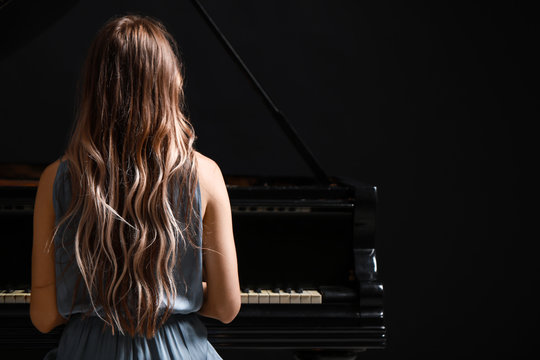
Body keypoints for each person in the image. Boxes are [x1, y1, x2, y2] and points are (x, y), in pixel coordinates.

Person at [30, 14, 241, 359]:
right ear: (170, 83)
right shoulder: (206, 175)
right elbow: (227, 307)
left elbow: (42, 316)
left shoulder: (56, 178)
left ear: (95, 87)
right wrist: (174, 294)